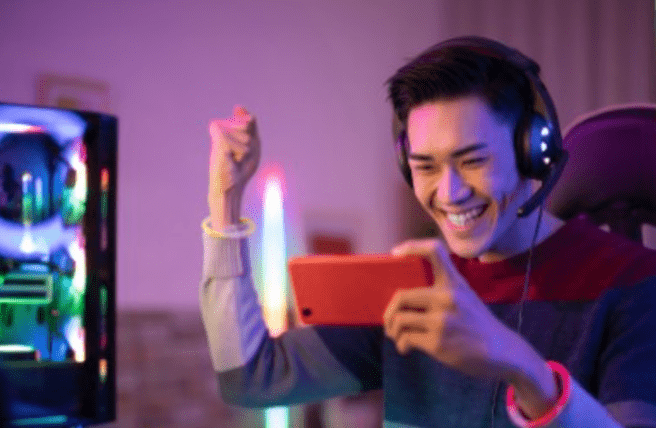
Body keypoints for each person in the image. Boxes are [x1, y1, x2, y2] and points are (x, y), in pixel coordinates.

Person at [200, 36, 656, 427]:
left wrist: (522, 367)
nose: (450, 192)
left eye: (473, 161)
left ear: (531, 151)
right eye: (425, 167)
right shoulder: (412, 288)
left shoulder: (635, 281)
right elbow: (251, 379)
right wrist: (225, 203)